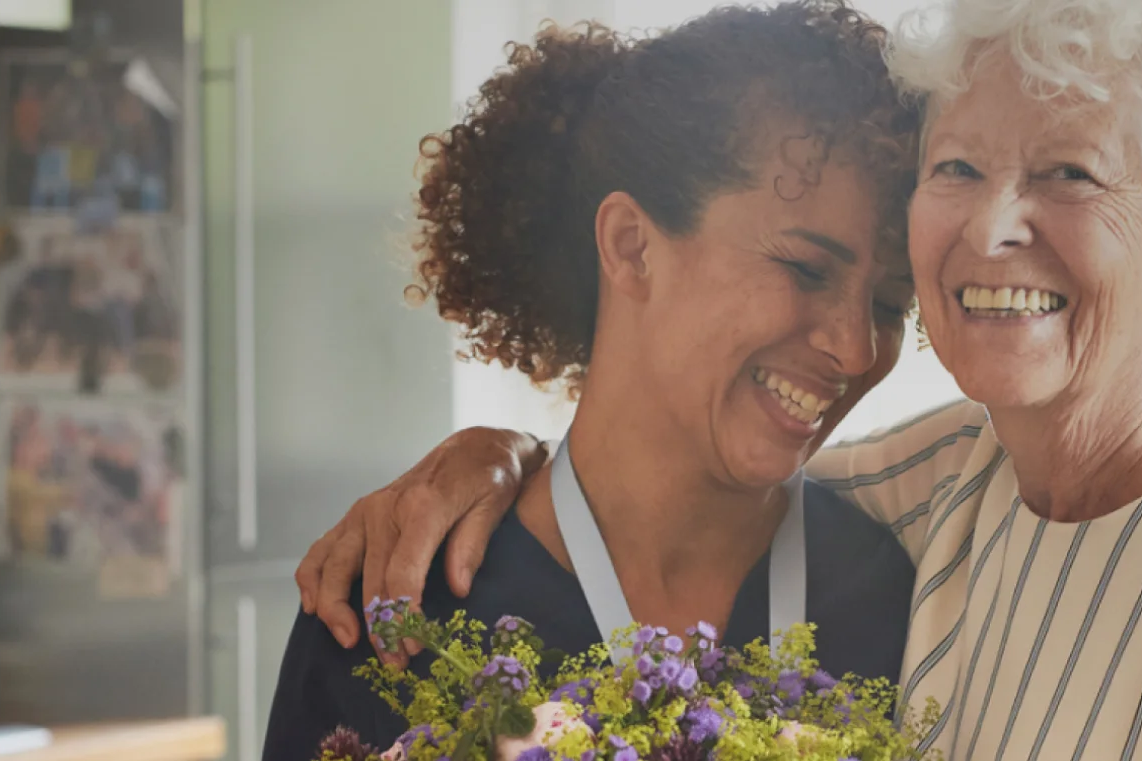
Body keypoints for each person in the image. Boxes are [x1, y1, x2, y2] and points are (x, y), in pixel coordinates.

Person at [295, 0, 1142, 758]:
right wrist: (491, 452)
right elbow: (673, 476)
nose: (856, 351)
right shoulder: (949, 490)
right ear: (628, 245)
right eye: (958, 165)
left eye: (1070, 171)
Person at [261, 4, 923, 759]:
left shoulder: (905, 604)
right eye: (805, 268)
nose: (853, 346)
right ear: (632, 246)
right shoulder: (399, 610)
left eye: (889, 304)